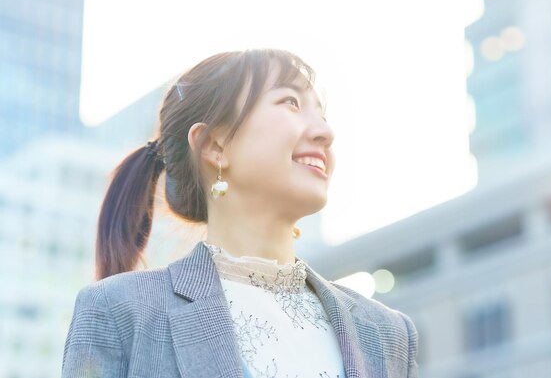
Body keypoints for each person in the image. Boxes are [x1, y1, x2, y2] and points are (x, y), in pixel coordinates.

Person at [61, 49, 419, 378]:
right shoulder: (121, 310)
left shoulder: (387, 334)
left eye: (321, 114)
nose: (325, 132)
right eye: (290, 102)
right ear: (215, 146)